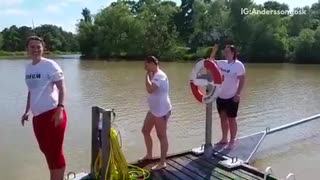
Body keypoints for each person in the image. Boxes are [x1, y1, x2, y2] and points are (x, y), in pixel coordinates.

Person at [21, 35, 67, 180]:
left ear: (43, 48)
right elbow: (31, 91)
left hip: (53, 113)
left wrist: (60, 108)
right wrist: (27, 110)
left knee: (55, 151)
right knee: (46, 150)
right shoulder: (28, 68)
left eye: (38, 46)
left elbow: (62, 88)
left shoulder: (50, 65)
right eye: (32, 46)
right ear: (27, 49)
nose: (35, 49)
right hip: (37, 117)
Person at [210, 44, 246, 149]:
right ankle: (224, 138)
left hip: (232, 96)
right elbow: (210, 62)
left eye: (227, 52)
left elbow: (242, 80)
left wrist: (238, 94)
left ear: (233, 53)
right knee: (222, 118)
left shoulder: (238, 65)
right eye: (224, 52)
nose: (225, 54)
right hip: (221, 95)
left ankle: (232, 141)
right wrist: (214, 50)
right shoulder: (222, 63)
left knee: (231, 119)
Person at [140, 56, 172, 170]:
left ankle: (162, 162)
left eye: (146, 65)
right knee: (145, 130)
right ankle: (149, 155)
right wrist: (149, 75)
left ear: (152, 63)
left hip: (162, 110)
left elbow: (150, 89)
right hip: (153, 110)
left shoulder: (160, 75)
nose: (145, 67)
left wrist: (146, 76)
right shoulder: (153, 74)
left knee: (161, 135)